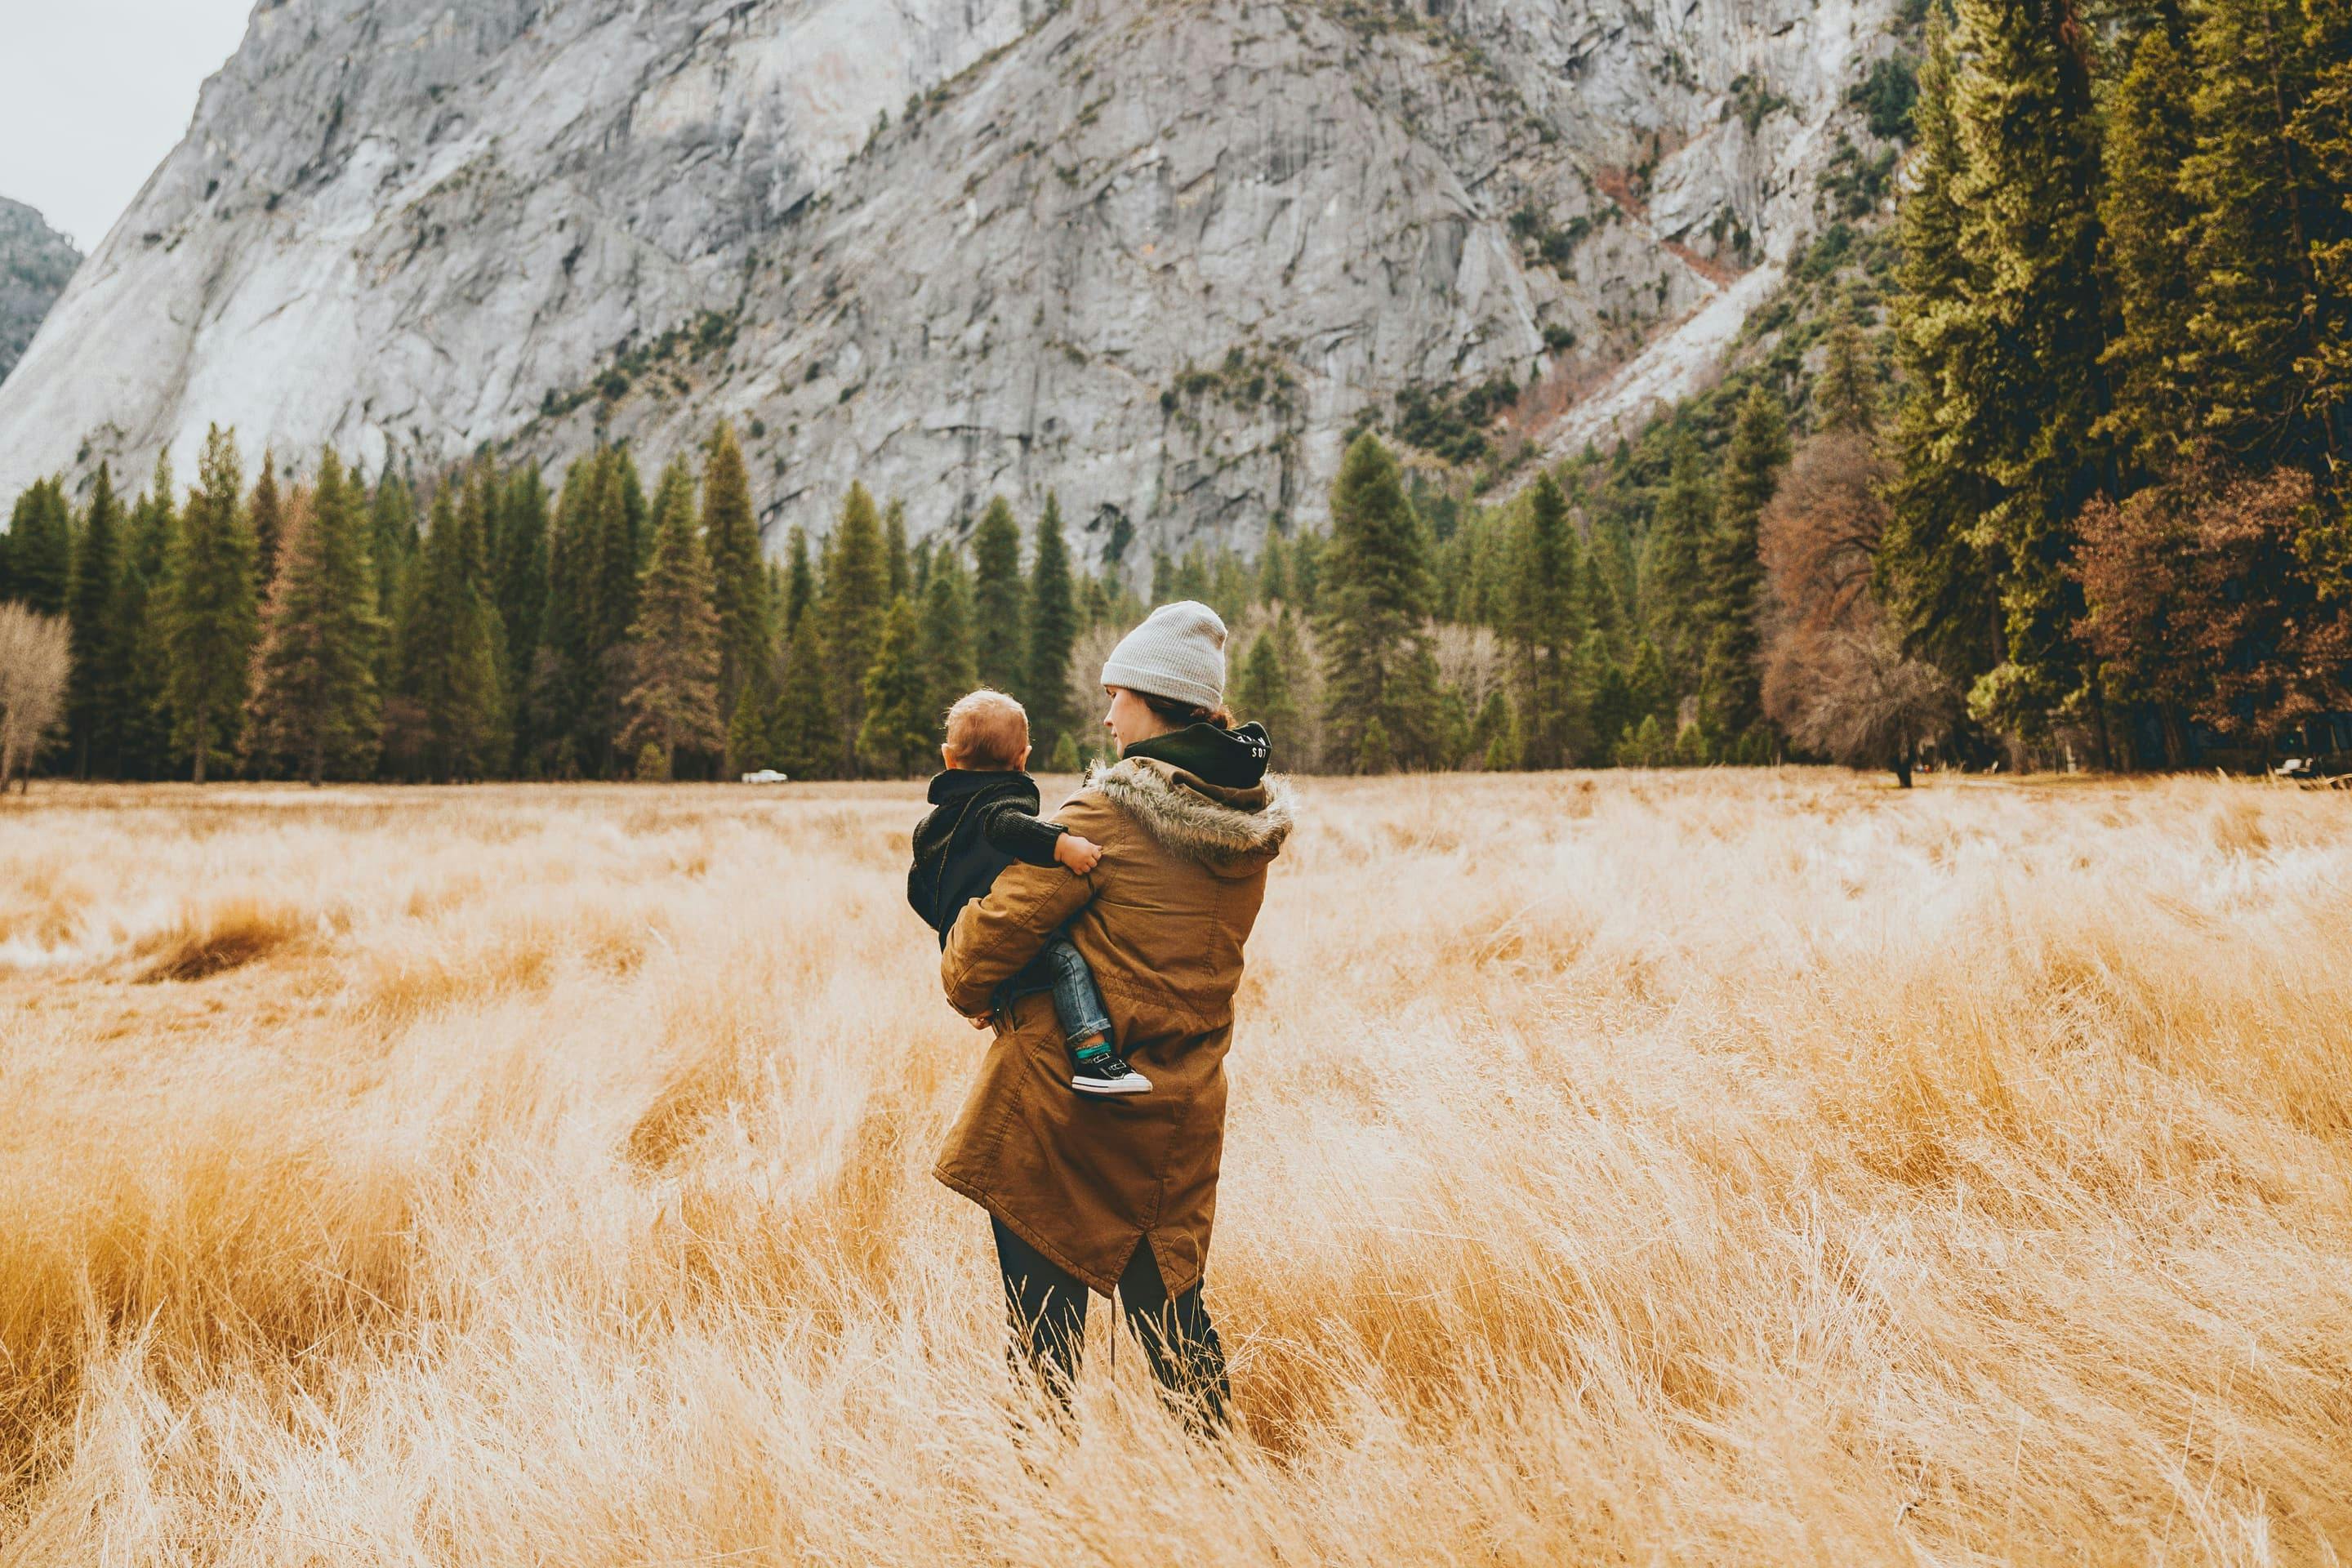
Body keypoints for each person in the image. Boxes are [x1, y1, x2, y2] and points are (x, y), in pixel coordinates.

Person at [933, 601, 1290, 1431]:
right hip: (1178, 1114)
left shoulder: (1104, 817)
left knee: (1043, 1350)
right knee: (1176, 1333)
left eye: (1118, 695)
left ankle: (1042, 1522)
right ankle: (1217, 1503)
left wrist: (975, 977)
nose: (1106, 713)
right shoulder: (1244, 825)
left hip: (1065, 1116)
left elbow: (980, 952)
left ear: (1156, 702)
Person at [907, 688, 1150, 1095]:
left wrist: (952, 931)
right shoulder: (996, 805)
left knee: (1022, 985)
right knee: (1065, 961)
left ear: (948, 757)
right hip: (1000, 939)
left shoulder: (935, 826)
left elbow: (917, 890)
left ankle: (992, 994)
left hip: (963, 940)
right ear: (1023, 758)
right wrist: (1062, 846)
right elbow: (1005, 826)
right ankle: (1093, 1056)